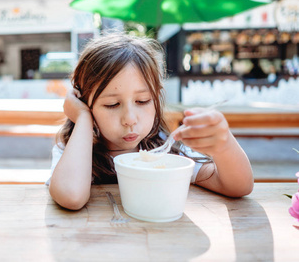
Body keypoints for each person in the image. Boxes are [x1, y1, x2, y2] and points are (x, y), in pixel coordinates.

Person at [48, 32, 253, 210]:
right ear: (84, 103)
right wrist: (83, 118)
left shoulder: (166, 152)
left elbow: (238, 187)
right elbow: (71, 196)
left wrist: (224, 145)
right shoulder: (74, 151)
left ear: (156, 99)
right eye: (112, 104)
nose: (130, 119)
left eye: (142, 101)